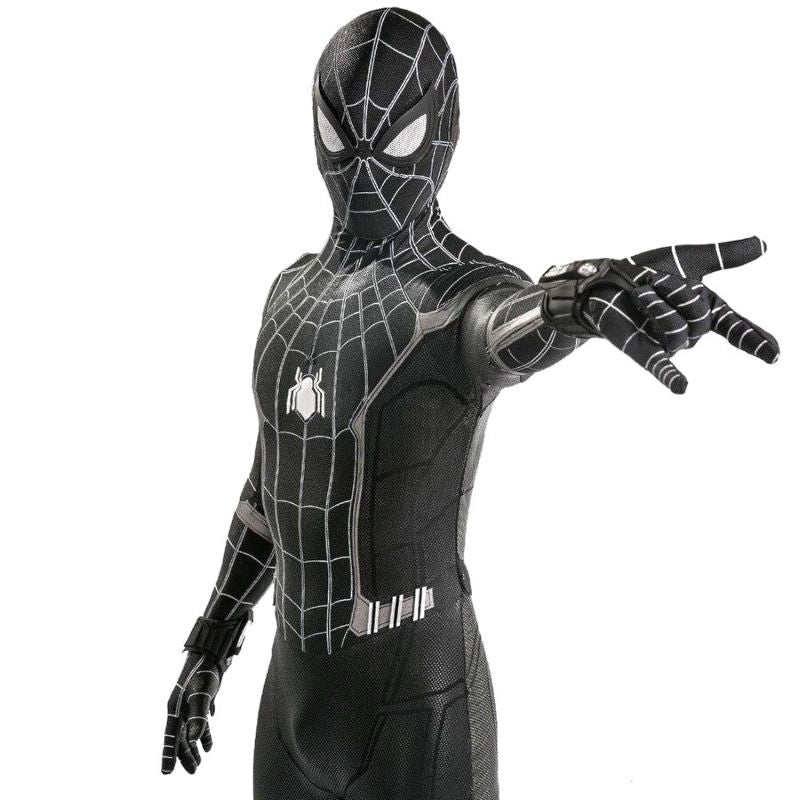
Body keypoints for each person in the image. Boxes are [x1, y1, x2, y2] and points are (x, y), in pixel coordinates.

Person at [162, 8, 779, 799]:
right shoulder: (289, 296)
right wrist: (211, 641)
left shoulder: (455, 296)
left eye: (393, 140)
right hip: (290, 701)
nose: (362, 166)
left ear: (442, 132)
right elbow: (269, 492)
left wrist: (574, 301)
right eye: (340, 134)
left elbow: (508, 326)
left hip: (418, 704)